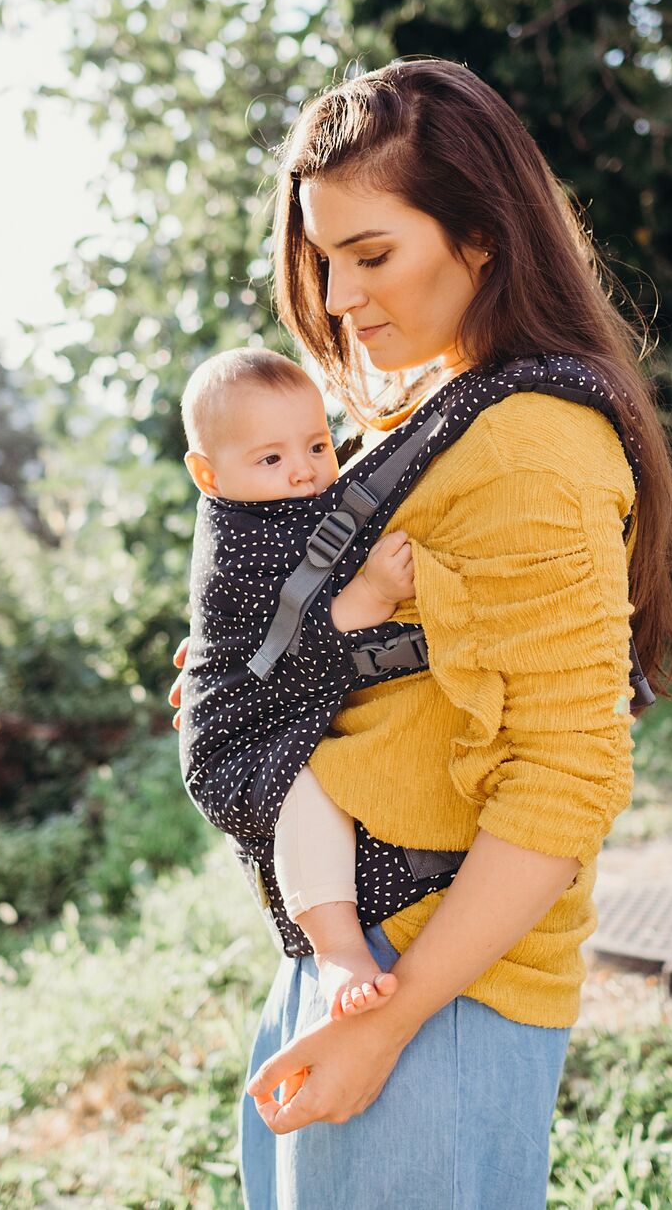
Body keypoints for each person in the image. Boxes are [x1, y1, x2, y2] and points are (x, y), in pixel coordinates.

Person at [167, 56, 672, 1209]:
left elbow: (565, 776)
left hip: (432, 993)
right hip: (365, 954)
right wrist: (275, 666)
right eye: (322, 258)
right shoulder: (436, 410)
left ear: (482, 238)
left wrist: (390, 1021)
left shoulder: (527, 451)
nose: (340, 296)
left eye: (372, 255)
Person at [178, 345, 417, 1019]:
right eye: (272, 458)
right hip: (238, 738)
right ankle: (338, 949)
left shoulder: (283, 503)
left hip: (277, 705)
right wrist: (369, 592)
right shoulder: (237, 541)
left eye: (316, 444)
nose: (306, 470)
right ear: (209, 473)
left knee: (322, 783)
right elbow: (296, 628)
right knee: (308, 792)